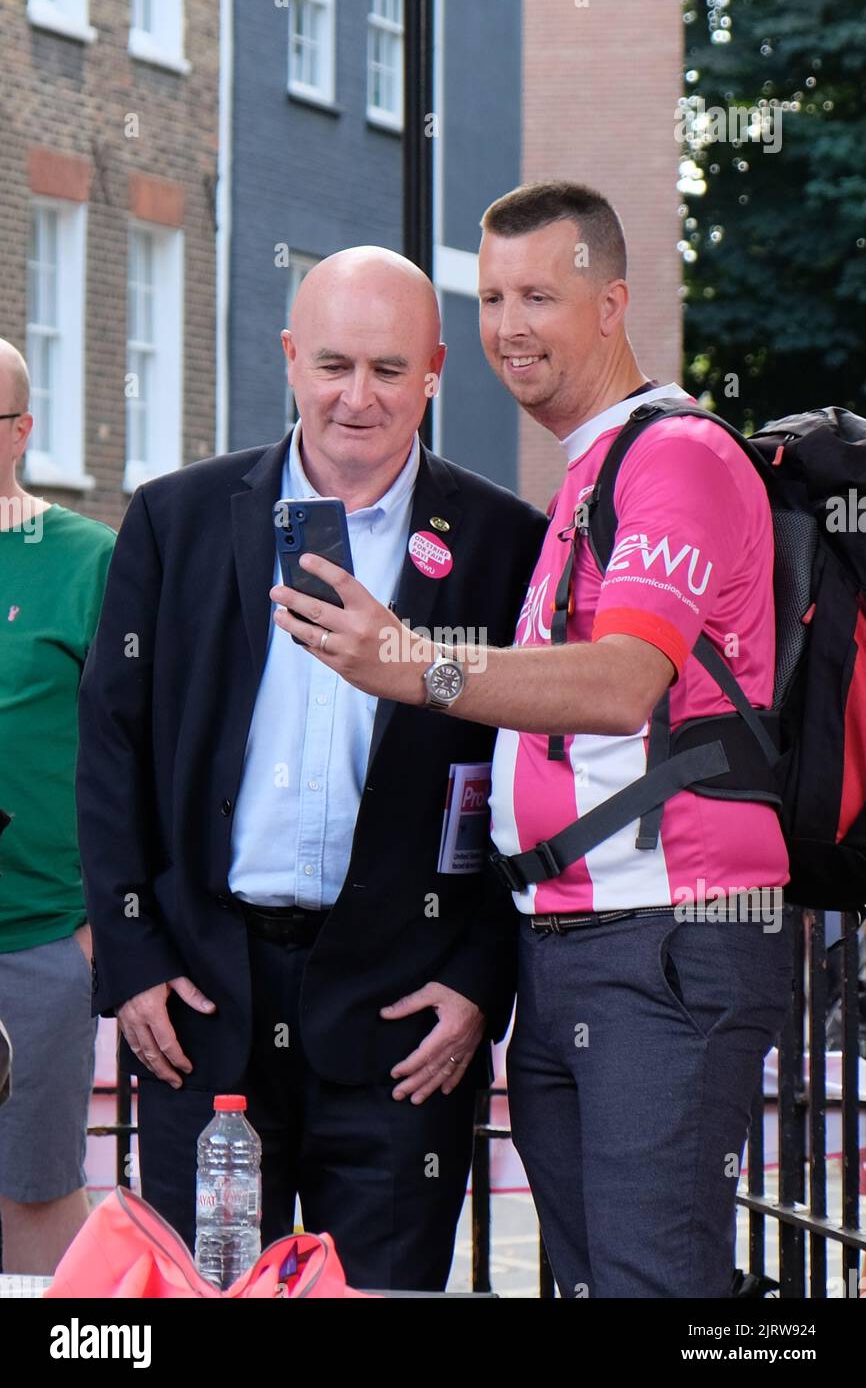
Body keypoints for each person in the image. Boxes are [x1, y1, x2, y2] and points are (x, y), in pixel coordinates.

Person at [270, 184, 795, 1298]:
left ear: (610, 303)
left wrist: (410, 664)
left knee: (654, 1285)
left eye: (540, 296)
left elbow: (618, 683)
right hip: (573, 944)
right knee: (606, 1282)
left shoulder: (673, 456)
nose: (508, 324)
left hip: (661, 941)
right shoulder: (591, 469)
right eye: (492, 295)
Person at [76, 246, 548, 1291]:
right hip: (201, 1001)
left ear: (434, 370)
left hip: (399, 1017)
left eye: (388, 369)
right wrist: (134, 955)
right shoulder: (173, 518)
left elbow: (530, 776)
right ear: (288, 359)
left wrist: (477, 980)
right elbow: (110, 746)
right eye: (332, 364)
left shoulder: (502, 541)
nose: (356, 398)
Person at [0, 339, 116, 1274]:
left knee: (33, 1191)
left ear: (23, 432)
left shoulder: (86, 561)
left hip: (36, 938)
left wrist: (87, 940)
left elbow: (134, 757)